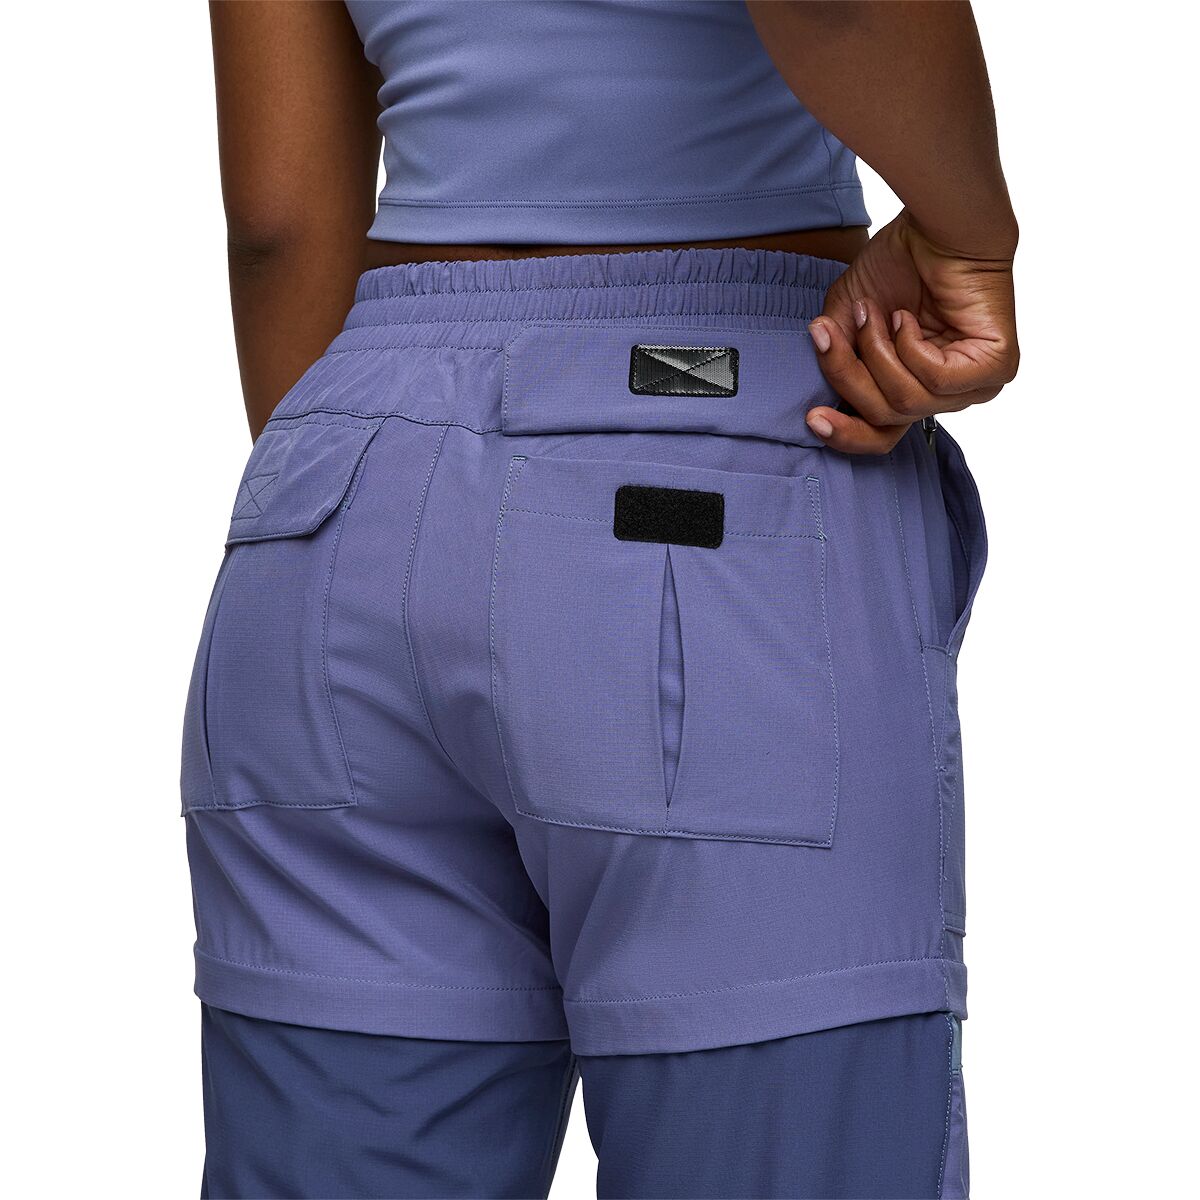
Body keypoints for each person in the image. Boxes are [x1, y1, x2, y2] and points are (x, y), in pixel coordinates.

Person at [185, 2, 1018, 1196]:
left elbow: (277, 223)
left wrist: (381, 472)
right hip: (714, 474)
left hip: (335, 506)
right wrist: (968, 235)